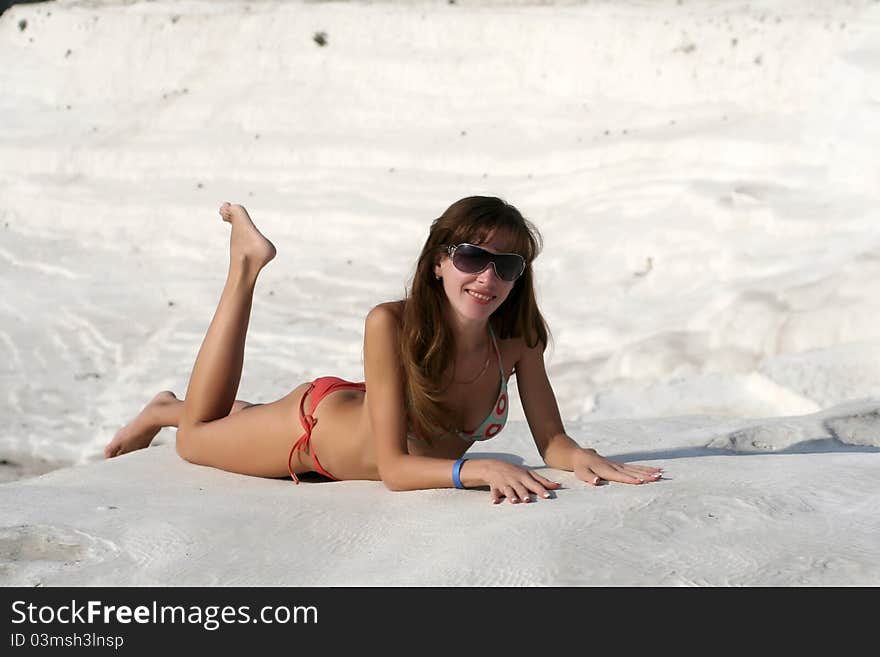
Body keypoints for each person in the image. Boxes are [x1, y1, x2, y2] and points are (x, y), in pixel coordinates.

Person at [104, 196, 662, 504]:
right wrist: (475, 468)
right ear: (439, 261)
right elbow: (395, 470)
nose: (487, 277)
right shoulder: (390, 323)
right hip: (310, 435)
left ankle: (166, 407)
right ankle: (244, 267)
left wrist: (582, 457)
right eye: (472, 257)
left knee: (226, 421)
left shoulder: (519, 341)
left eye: (507, 266)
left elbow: (554, 442)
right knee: (196, 438)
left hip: (360, 411)